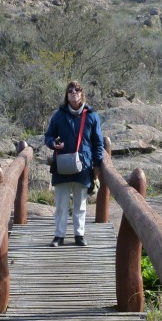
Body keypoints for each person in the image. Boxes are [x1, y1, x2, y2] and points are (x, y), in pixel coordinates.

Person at [44, 80, 104, 247]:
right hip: (61, 164)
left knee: (81, 203)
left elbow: (98, 143)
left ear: (82, 93)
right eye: (70, 90)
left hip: (83, 166)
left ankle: (79, 235)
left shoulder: (92, 115)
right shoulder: (58, 115)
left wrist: (97, 166)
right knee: (61, 204)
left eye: (77, 90)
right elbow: (48, 136)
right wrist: (52, 144)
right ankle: (59, 236)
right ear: (66, 94)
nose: (74, 92)